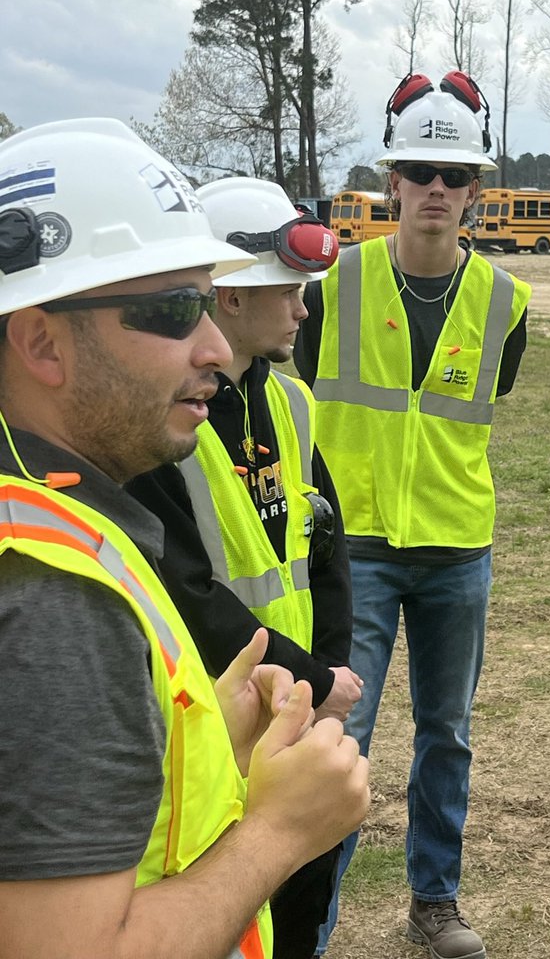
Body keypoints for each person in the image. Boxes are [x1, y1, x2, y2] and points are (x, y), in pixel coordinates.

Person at [0, 119, 369, 959]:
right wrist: (280, 833)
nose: (211, 345)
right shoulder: (54, 598)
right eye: (171, 310)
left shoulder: (61, 514)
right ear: (40, 341)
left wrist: (201, 746)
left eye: (207, 303)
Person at [295, 72, 531, 959]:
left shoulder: (508, 303)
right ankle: (311, 918)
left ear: (478, 190)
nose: (438, 189)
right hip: (352, 547)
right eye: (421, 170)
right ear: (391, 178)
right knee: (338, 733)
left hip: (456, 549)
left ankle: (434, 902)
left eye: (456, 174)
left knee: (448, 734)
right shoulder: (329, 287)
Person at [127, 176, 362, 959]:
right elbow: (185, 587)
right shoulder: (163, 422)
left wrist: (330, 667)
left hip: (297, 705)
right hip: (216, 714)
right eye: (287, 291)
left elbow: (324, 547)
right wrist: (314, 679)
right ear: (229, 295)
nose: (302, 308)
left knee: (302, 902)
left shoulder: (291, 402)